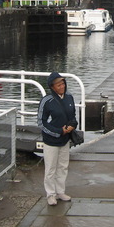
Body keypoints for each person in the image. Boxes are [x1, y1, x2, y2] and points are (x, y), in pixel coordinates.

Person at [37, 72, 78, 206]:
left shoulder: (69, 97)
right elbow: (41, 122)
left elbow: (73, 116)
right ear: (52, 87)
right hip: (51, 141)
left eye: (63, 84)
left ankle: (60, 191)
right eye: (59, 85)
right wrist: (58, 131)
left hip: (65, 139)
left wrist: (72, 126)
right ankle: (50, 194)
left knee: (63, 166)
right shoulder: (46, 101)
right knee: (50, 169)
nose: (62, 87)